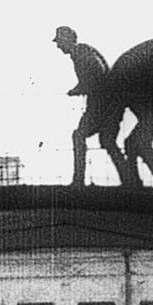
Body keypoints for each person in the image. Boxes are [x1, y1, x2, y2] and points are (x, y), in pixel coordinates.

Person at [54, 26, 123, 187]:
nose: (58, 46)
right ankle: (130, 180)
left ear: (67, 40)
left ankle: (78, 180)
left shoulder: (80, 53)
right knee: (108, 141)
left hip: (101, 105)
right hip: (108, 103)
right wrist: (79, 88)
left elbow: (96, 75)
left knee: (79, 136)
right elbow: (92, 76)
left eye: (59, 42)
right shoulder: (84, 51)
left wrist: (79, 89)